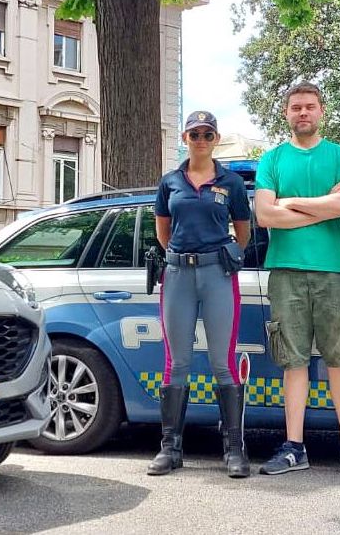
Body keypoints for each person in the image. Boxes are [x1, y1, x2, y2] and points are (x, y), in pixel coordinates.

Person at [254, 82, 340, 479]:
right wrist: (322, 206)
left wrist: (289, 202)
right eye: (295, 107)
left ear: (322, 110)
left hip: (334, 272)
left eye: (309, 106)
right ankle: (294, 446)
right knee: (294, 361)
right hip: (286, 271)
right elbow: (264, 216)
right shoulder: (271, 159)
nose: (302, 113)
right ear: (286, 113)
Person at [148, 110, 252, 478]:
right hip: (178, 274)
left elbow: (243, 232)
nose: (202, 140)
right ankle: (170, 448)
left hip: (217, 275)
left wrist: (224, 255)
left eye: (208, 134)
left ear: (216, 138)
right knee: (177, 361)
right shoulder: (170, 181)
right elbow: (163, 232)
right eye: (195, 134)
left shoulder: (232, 183)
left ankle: (234, 450)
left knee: (222, 361)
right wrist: (181, 255)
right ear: (185, 138)